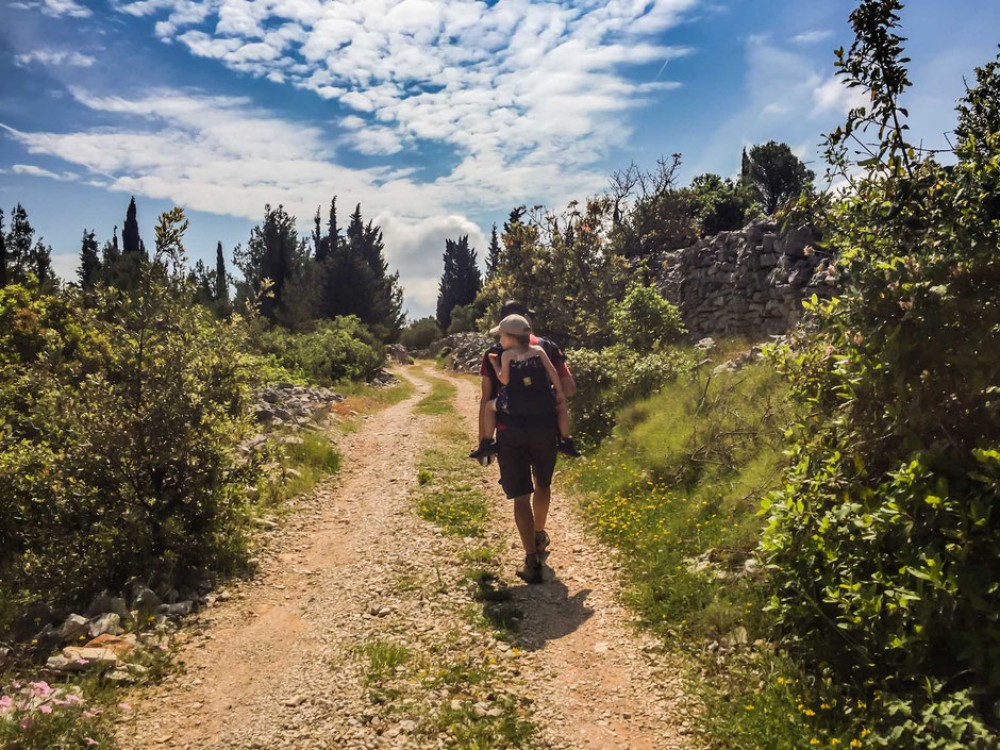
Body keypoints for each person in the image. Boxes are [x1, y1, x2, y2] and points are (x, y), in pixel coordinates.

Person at [470, 302, 580, 461]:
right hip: (544, 421)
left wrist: (495, 364)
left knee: (489, 407)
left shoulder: (498, 353)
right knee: (542, 485)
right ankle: (566, 440)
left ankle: (487, 443)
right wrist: (558, 393)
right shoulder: (544, 348)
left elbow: (492, 391)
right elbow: (568, 387)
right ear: (527, 321)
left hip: (509, 424)